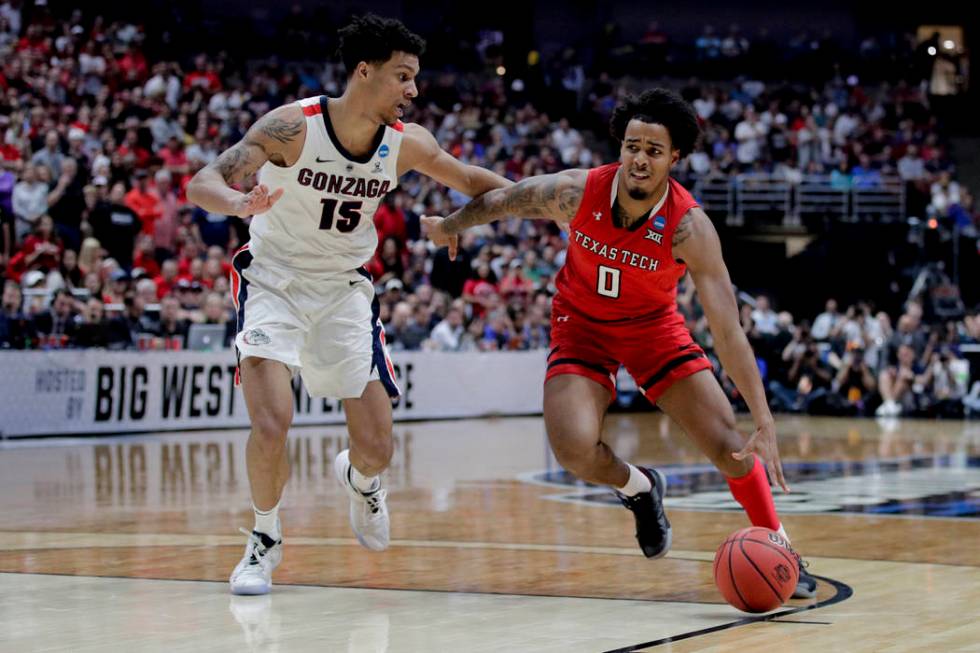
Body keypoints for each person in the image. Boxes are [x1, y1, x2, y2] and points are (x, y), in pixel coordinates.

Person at [424, 88, 816, 598]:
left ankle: (781, 546)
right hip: (580, 324)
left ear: (674, 158)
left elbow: (727, 331)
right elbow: (503, 200)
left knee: (731, 448)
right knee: (573, 449)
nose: (639, 159)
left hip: (653, 329)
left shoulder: (689, 228)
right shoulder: (576, 190)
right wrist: (449, 227)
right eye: (632, 146)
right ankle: (640, 488)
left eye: (654, 150)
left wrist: (763, 418)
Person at [186, 14, 510, 596]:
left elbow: (472, 181)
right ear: (365, 70)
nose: (413, 89)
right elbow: (201, 182)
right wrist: (239, 203)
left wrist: (495, 212)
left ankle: (362, 482)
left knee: (377, 447)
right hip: (275, 282)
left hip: (343, 290)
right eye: (403, 76)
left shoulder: (406, 142)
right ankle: (263, 540)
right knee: (270, 423)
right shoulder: (293, 127)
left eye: (415, 77)